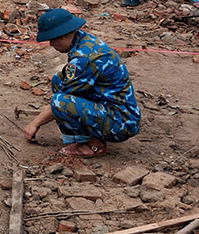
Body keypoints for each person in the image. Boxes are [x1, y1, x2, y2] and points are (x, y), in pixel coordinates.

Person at [22, 8, 141, 158]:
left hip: (121, 123)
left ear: (63, 36)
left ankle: (93, 145)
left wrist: (35, 123)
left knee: (60, 102)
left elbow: (62, 99)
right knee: (59, 80)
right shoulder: (85, 41)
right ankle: (83, 137)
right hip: (116, 110)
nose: (51, 44)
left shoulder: (83, 59)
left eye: (51, 39)